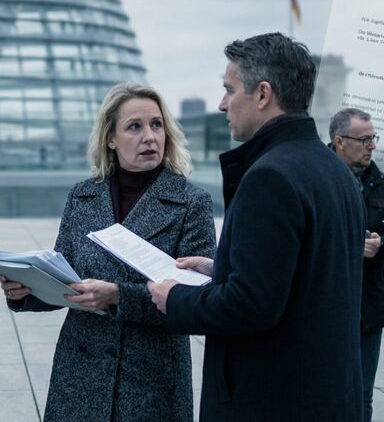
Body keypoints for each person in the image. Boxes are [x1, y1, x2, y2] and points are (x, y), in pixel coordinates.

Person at [148, 32, 365, 421]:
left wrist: (175, 299)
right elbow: (313, 272)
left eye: (229, 90)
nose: (222, 103)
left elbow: (251, 307)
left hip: (272, 399)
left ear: (262, 94)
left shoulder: (270, 177)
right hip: (325, 393)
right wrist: (225, 269)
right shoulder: (334, 169)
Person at [0, 83, 216, 420]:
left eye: (157, 125)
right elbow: (65, 280)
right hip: (80, 376)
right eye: (135, 126)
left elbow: (196, 300)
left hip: (151, 381)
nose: (150, 136)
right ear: (110, 138)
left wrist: (117, 296)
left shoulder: (191, 203)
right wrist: (25, 290)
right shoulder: (82, 197)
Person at [330, 107, 384, 422]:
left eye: (373, 138)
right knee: (325, 394)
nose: (372, 146)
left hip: (368, 308)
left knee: (362, 397)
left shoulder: (382, 183)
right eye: (364, 140)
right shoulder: (316, 177)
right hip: (327, 307)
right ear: (339, 142)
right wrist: (348, 246)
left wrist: (381, 246)